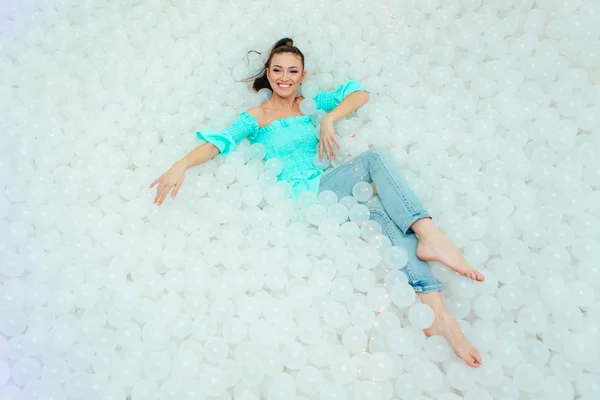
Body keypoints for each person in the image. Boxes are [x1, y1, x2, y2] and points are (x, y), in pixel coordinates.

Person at [150, 38, 484, 367]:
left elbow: (359, 93)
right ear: (267, 73)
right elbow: (218, 143)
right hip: (301, 200)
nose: (284, 77)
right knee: (376, 158)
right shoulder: (258, 115)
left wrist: (328, 118)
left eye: (292, 71)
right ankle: (430, 234)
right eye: (277, 70)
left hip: (327, 193)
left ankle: (438, 314)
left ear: (303, 75)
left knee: (381, 212)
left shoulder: (310, 104)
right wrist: (180, 165)